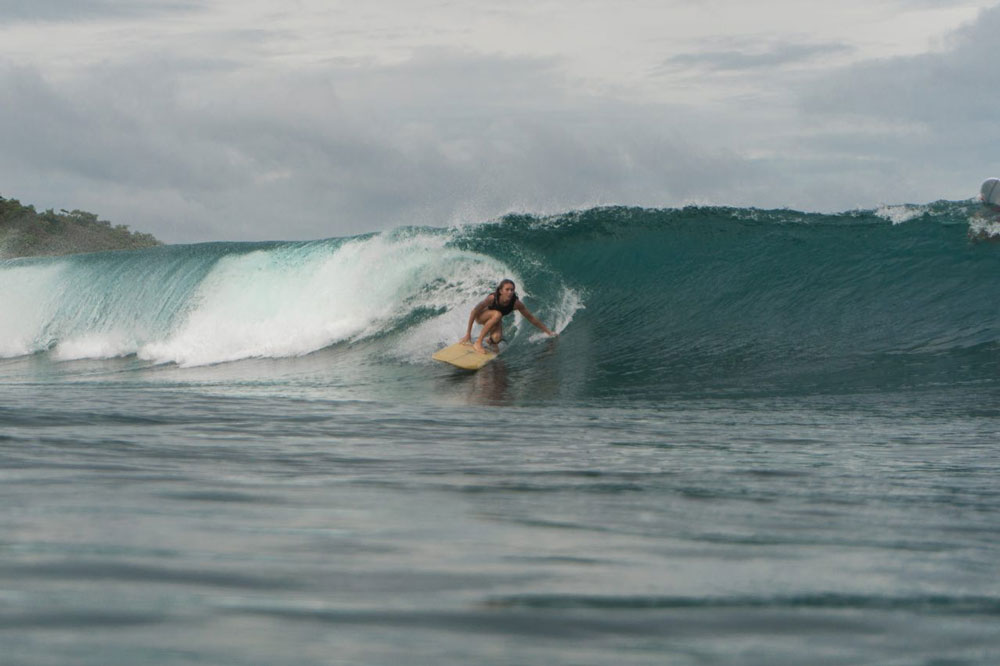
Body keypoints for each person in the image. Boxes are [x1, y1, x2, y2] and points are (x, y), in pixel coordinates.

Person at [459, 279, 556, 354]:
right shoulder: (492, 298)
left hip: (495, 319)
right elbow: (474, 311)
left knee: (497, 338)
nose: (510, 292)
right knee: (498, 314)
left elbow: (531, 318)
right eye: (507, 289)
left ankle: (489, 340)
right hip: (481, 317)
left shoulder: (516, 304)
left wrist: (548, 332)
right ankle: (478, 342)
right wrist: (468, 334)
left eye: (512, 290)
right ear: (501, 291)